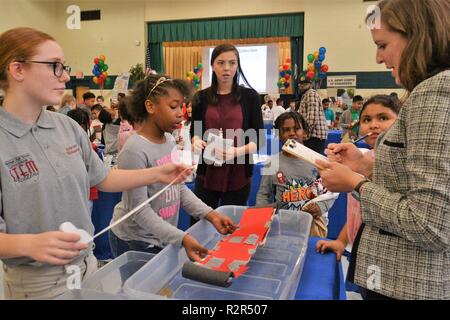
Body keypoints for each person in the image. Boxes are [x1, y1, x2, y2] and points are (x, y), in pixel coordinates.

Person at [0, 27, 192, 299]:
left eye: (63, 66)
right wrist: (29, 244)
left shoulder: (66, 127)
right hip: (36, 285)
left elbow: (104, 179)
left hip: (87, 267)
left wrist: (158, 173)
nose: (65, 75)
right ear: (17, 69)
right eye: (54, 66)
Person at [316, 0, 450, 300]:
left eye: (383, 45)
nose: (378, 58)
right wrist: (365, 167)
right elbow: (417, 182)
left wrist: (356, 184)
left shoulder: (433, 92)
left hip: (409, 283)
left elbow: (431, 225)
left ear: (416, 36)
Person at [109, 74, 237, 259]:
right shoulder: (134, 150)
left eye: (182, 106)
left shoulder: (169, 140)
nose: (180, 113)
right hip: (135, 241)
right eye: (173, 106)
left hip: (160, 238)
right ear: (150, 106)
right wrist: (182, 238)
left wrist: (211, 215)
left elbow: (178, 187)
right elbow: (139, 211)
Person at [316, 95, 400, 259]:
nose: (374, 125)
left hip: (381, 255)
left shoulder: (397, 164)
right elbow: (360, 211)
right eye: (366, 120)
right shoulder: (363, 156)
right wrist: (341, 241)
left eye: (383, 118)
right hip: (357, 249)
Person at [190, 44, 264, 213]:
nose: (226, 68)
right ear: (212, 65)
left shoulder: (250, 97)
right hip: (207, 172)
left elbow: (258, 139)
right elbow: (195, 131)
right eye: (220, 63)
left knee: (232, 224)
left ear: (237, 65)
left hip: (238, 173)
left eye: (232, 63)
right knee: (202, 220)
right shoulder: (200, 98)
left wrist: (236, 152)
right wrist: (195, 140)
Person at [255, 112, 338, 237]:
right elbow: (264, 194)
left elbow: (331, 191)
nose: (292, 133)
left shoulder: (317, 160)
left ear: (305, 133)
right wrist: (261, 218)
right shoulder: (272, 163)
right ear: (279, 135)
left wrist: (321, 206)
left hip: (311, 226)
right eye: (286, 130)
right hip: (282, 227)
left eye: (297, 128)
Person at [298, 78, 328, 154]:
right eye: (301, 84)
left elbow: (312, 117)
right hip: (313, 135)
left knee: (311, 163)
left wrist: (305, 133)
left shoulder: (311, 94)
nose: (302, 86)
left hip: (314, 135)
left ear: (310, 85)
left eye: (305, 84)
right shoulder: (306, 95)